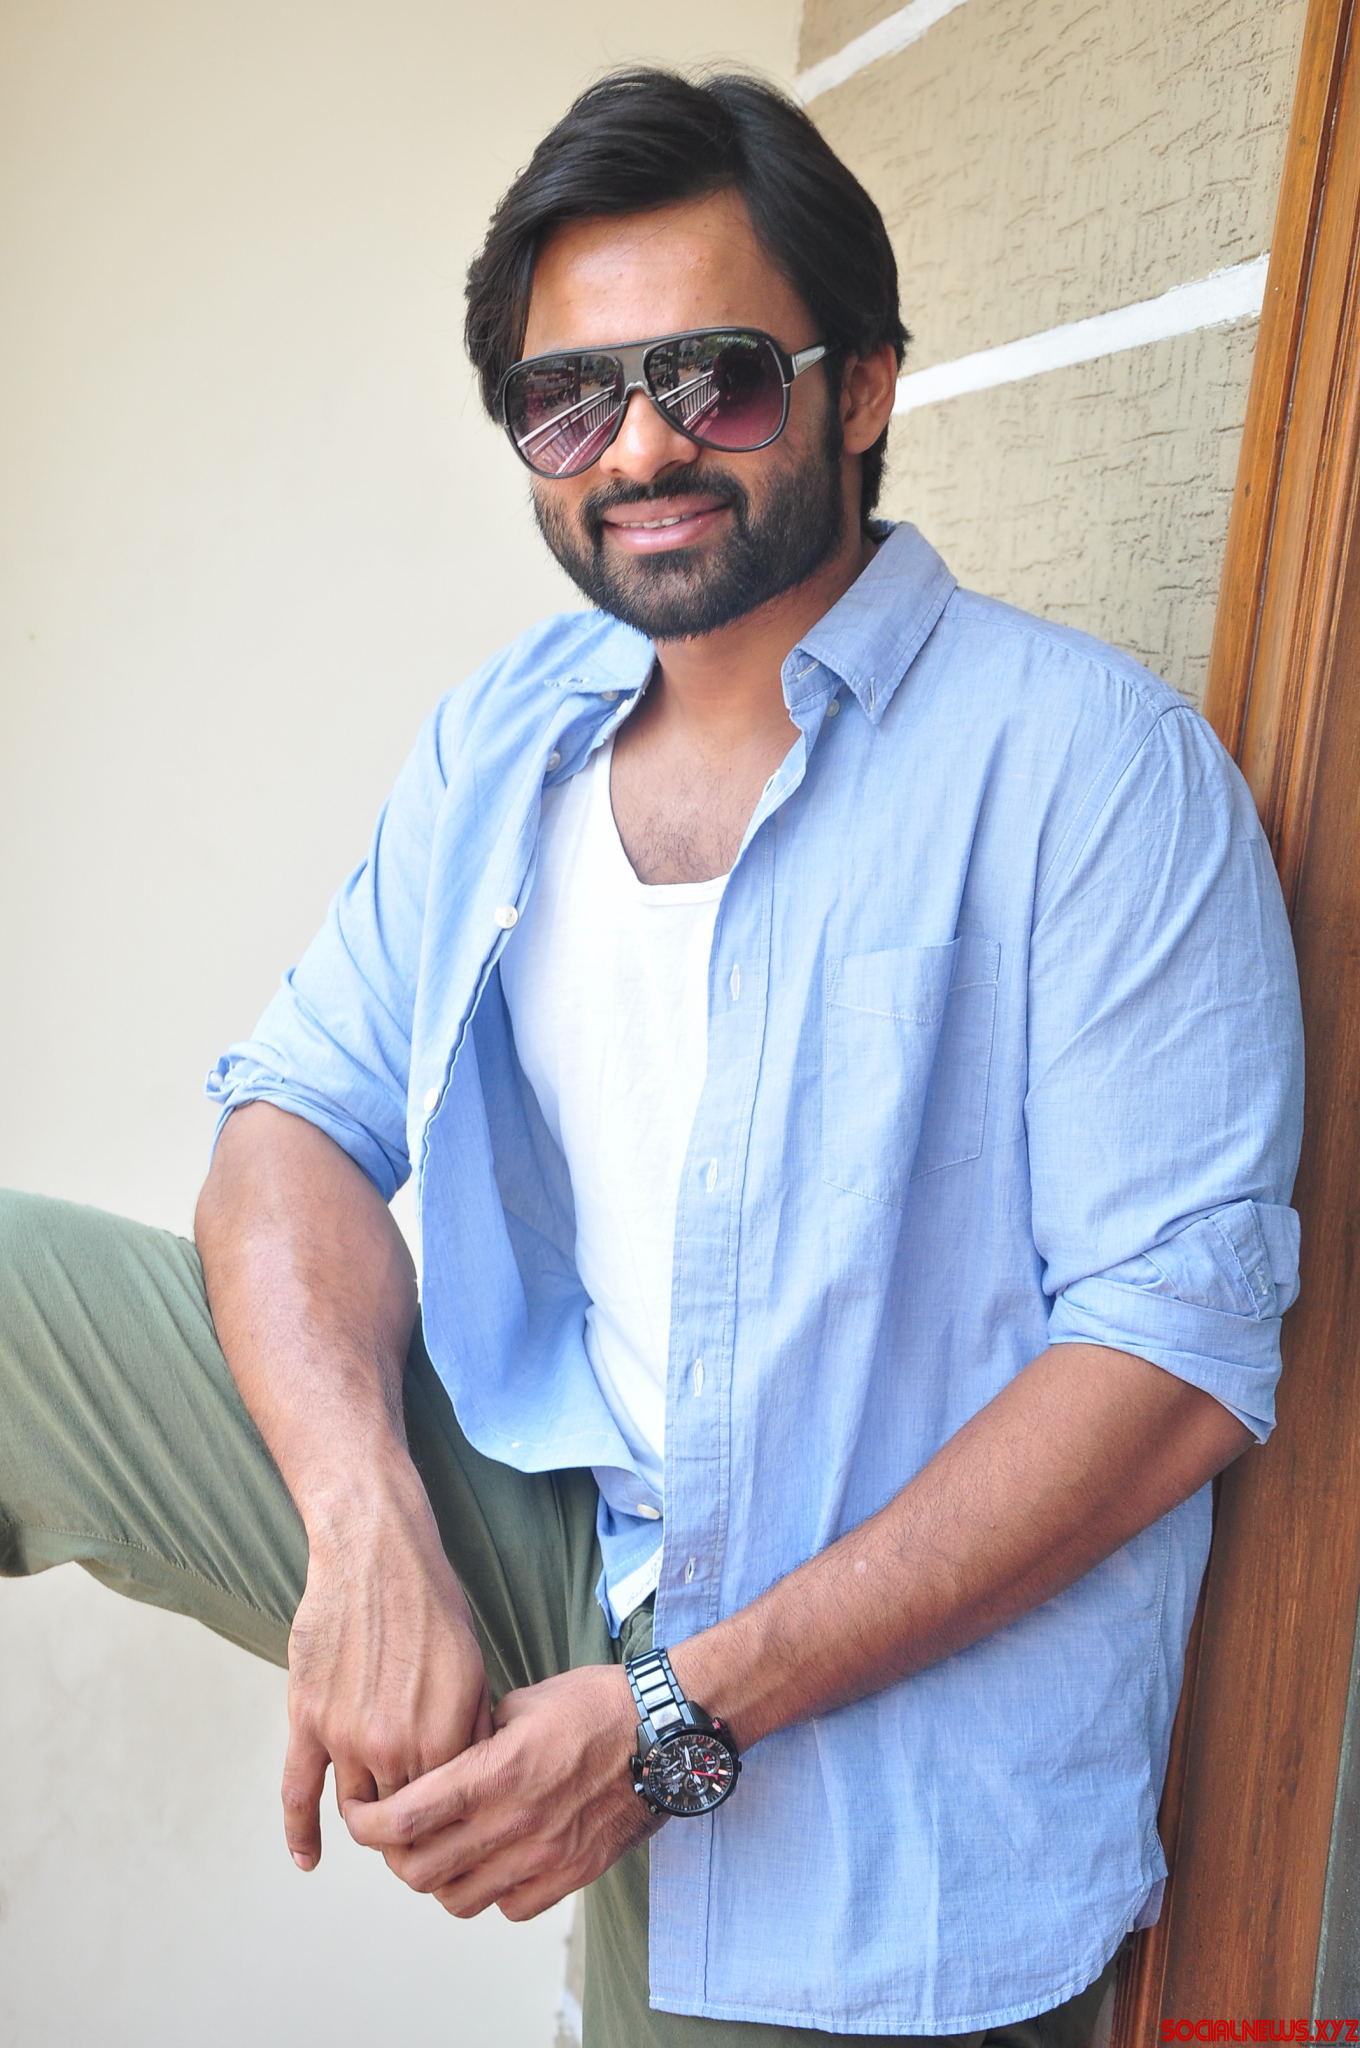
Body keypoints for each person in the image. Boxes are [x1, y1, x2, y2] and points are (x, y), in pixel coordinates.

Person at [0, 65, 1304, 2048]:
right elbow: (291, 1116)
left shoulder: (1091, 775)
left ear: (860, 387)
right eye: (569, 398)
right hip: (565, 1533)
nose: (639, 447)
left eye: (716, 379)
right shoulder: (505, 736)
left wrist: (675, 1720)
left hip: (856, 1740)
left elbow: (1169, 1365)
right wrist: (364, 1523)